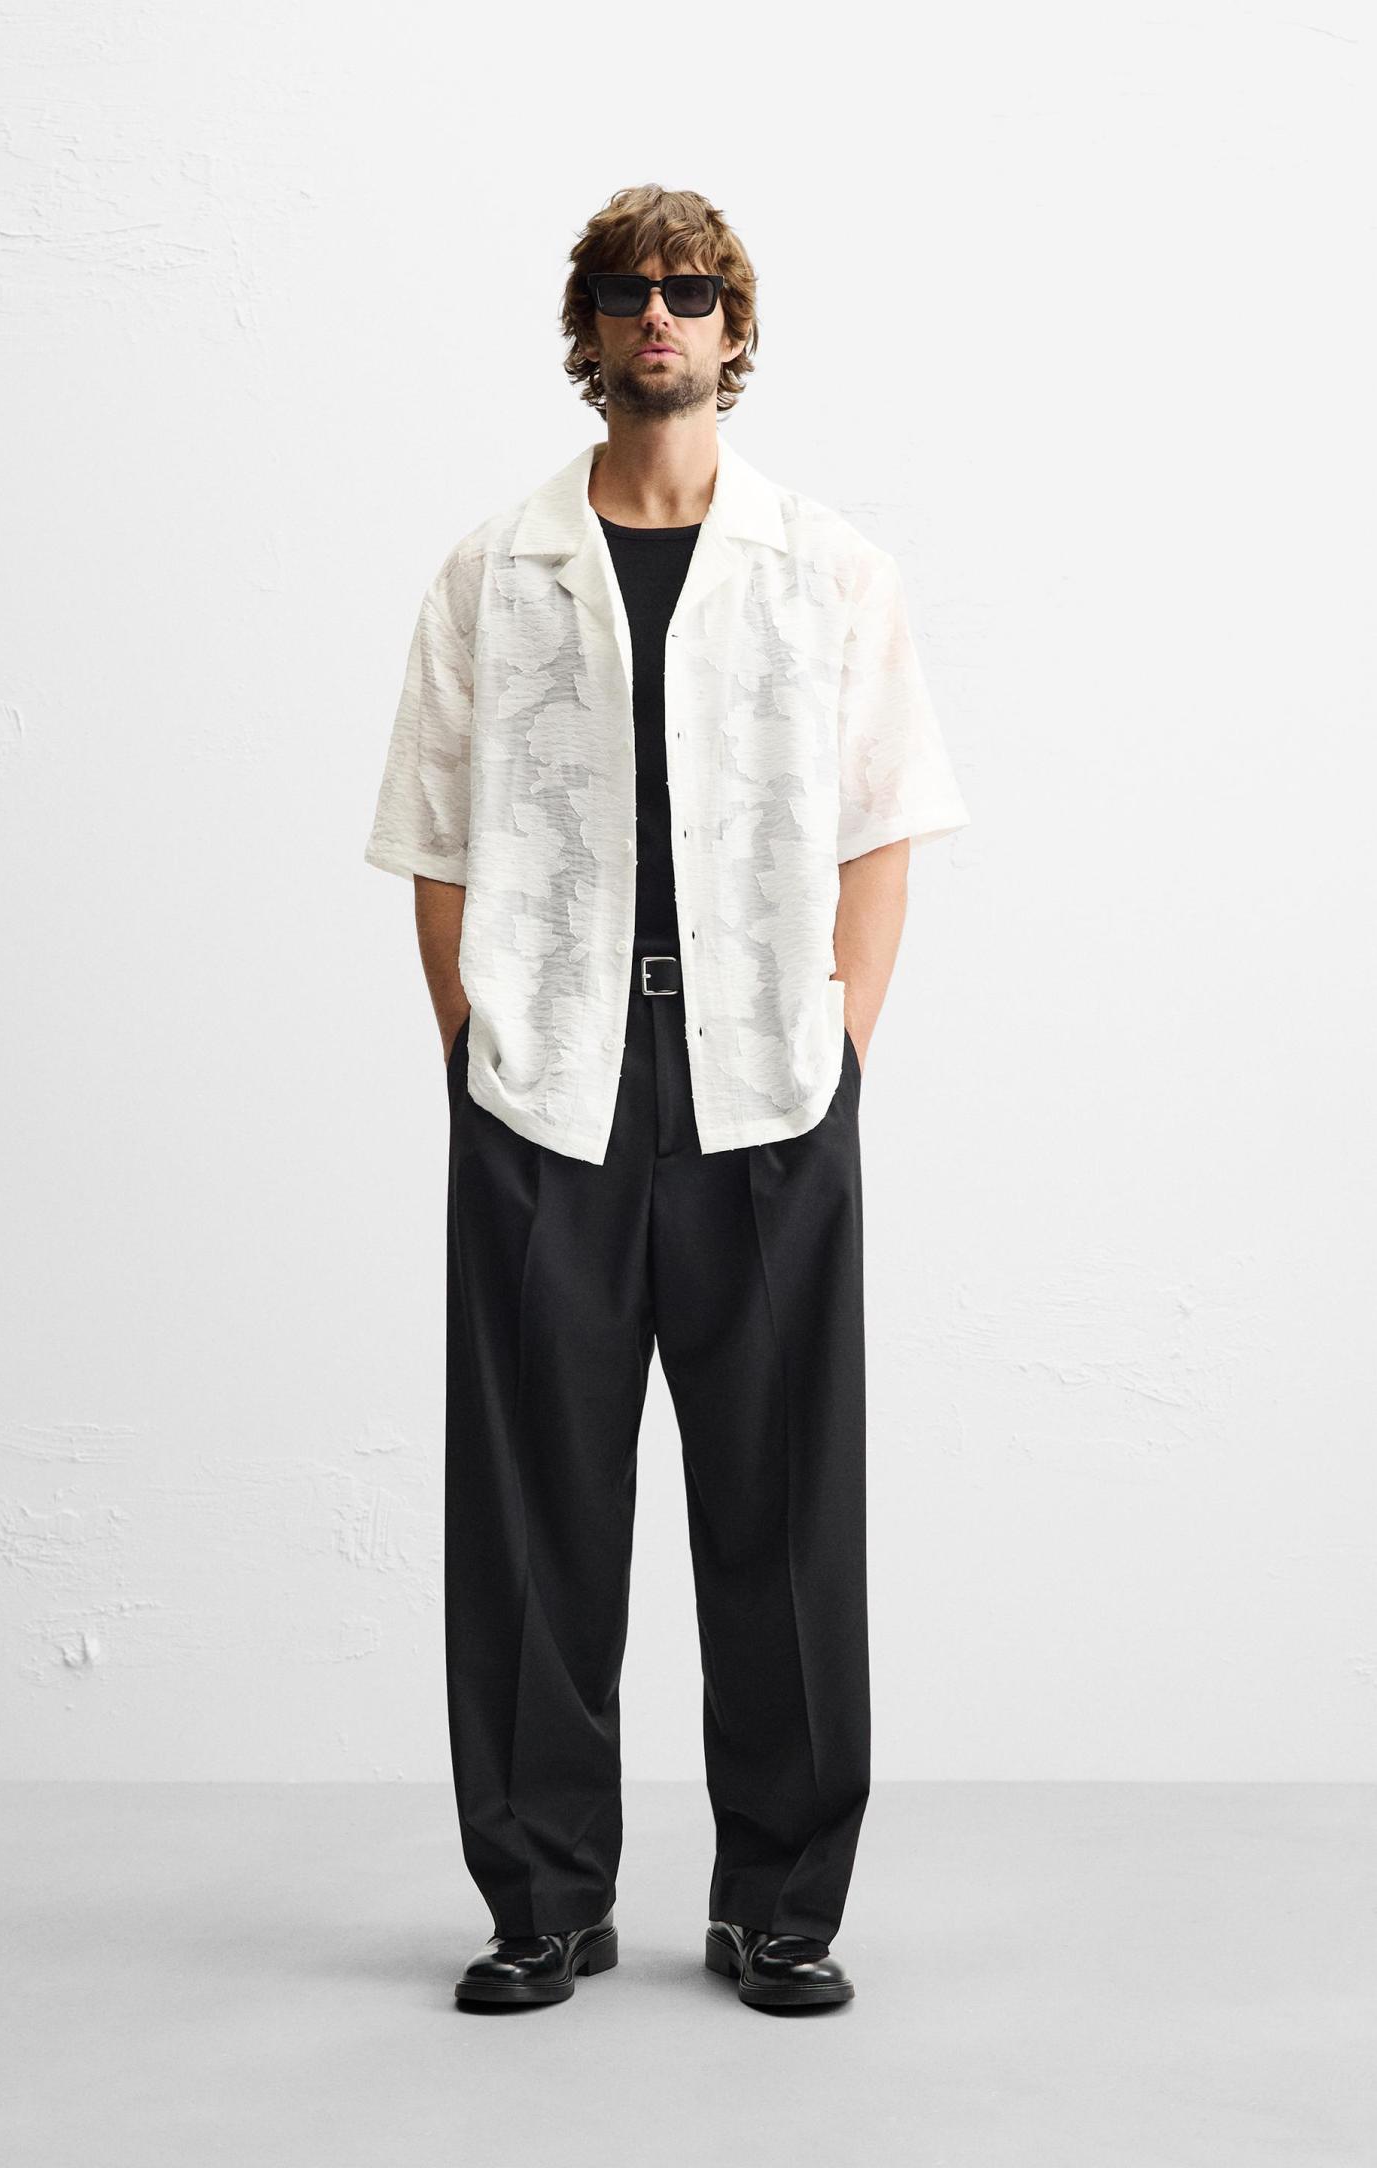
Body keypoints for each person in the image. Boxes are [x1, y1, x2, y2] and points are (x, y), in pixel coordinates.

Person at [364, 183, 971, 2014]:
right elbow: (435, 839)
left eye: (690, 291)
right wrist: (474, 1051)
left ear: (732, 326)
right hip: (546, 1090)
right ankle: (544, 1899)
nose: (658, 316)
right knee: (533, 1512)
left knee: (783, 1511)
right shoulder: (493, 571)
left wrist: (839, 1052)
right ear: (586, 328)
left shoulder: (825, 567)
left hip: (767, 1089)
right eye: (627, 291)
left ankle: (778, 1903)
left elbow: (880, 825)